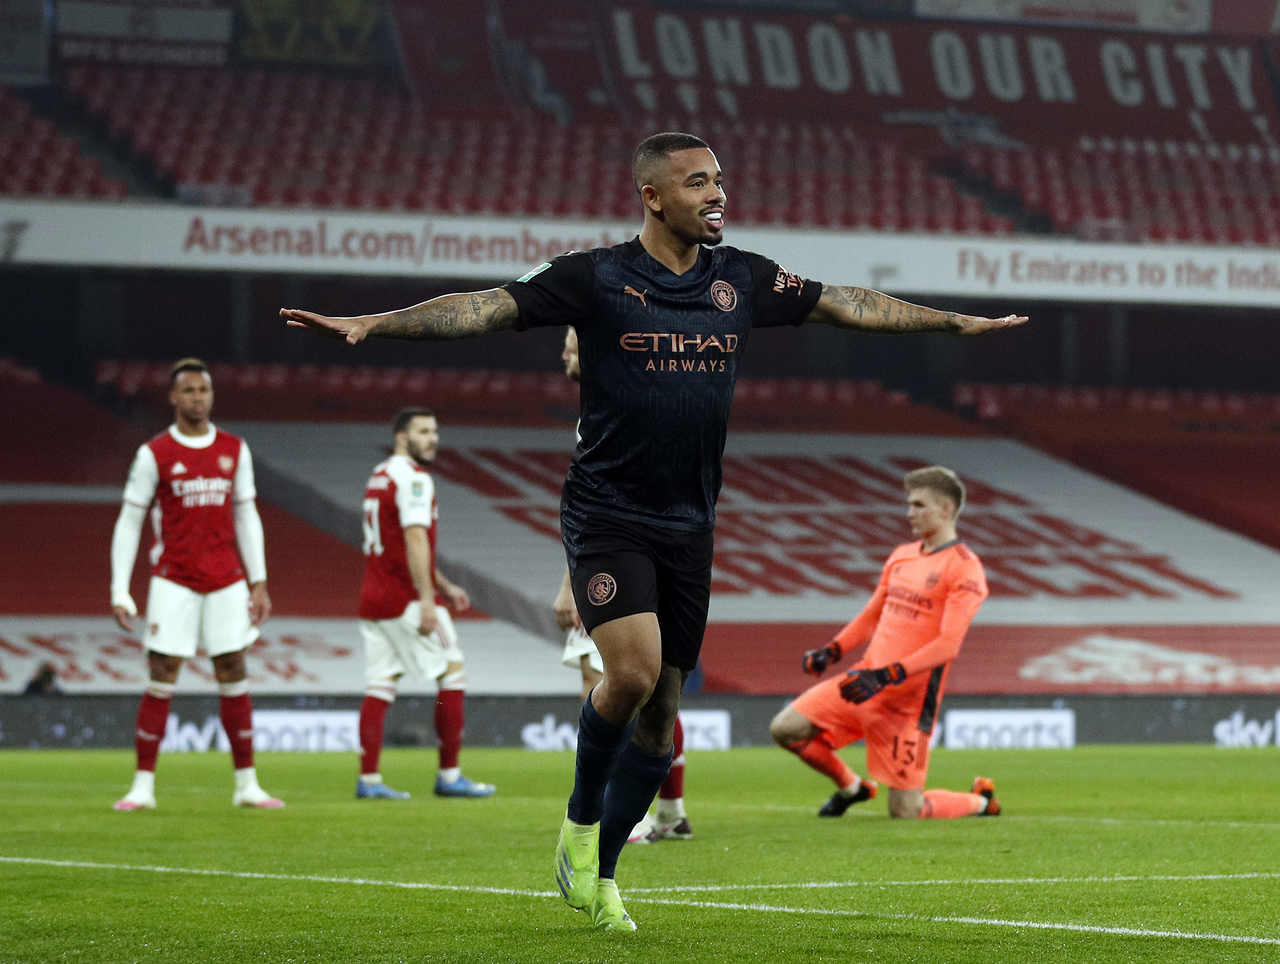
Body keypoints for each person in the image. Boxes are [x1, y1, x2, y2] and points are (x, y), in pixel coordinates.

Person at [280, 131, 1026, 932]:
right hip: (607, 512)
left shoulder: (739, 277)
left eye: (720, 182)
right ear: (654, 196)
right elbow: (484, 308)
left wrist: (952, 326)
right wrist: (375, 324)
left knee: (663, 714)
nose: (717, 195)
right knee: (631, 674)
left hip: (689, 524)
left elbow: (847, 301)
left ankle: (601, 874)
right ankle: (577, 822)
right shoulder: (594, 278)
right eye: (699, 182)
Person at [770, 466, 1001, 820]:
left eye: (919, 505)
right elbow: (872, 615)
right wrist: (832, 651)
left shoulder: (964, 569)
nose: (909, 512)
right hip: (863, 682)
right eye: (909, 504)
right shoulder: (902, 555)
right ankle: (853, 787)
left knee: (906, 811)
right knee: (786, 729)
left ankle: (981, 801)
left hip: (906, 703)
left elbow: (947, 646)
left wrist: (886, 675)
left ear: (945, 509)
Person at [109, 357, 283, 811]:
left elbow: (247, 514)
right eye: (188, 391)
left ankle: (247, 784)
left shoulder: (234, 449)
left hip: (227, 580)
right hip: (174, 579)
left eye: (203, 390)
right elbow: (130, 521)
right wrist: (119, 587)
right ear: (173, 397)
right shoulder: (155, 454)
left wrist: (259, 581)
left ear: (211, 395)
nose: (197, 398)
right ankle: (142, 786)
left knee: (233, 670)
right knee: (162, 673)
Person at [552, 328, 690, 845]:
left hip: (624, 570)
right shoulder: (611, 407)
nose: (563, 354)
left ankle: (621, 814)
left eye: (570, 345)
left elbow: (604, 515)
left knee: (614, 686)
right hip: (652, 558)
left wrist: (570, 585)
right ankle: (670, 809)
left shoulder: (614, 413)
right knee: (655, 693)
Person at [355, 407, 495, 801]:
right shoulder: (414, 480)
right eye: (423, 431)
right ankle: (449, 775)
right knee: (452, 672)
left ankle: (369, 780)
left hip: (373, 596)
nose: (433, 439)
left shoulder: (379, 475)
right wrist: (428, 601)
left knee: (380, 683)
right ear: (402, 436)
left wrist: (444, 584)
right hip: (403, 599)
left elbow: (398, 545)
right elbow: (415, 539)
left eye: (435, 431)